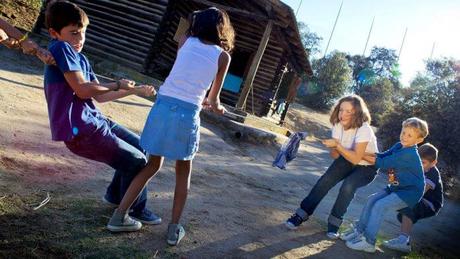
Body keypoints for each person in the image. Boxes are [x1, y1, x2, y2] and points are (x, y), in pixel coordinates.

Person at [107, 7, 235, 246]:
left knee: (152, 164)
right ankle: (173, 229)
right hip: (187, 114)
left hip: (163, 106)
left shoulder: (186, 41)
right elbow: (213, 99)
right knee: (182, 172)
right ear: (222, 28)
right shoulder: (223, 57)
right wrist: (217, 108)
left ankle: (119, 215)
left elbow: (184, 72)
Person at [43, 1, 159, 225]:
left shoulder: (82, 58)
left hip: (96, 122)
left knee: (142, 147)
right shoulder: (60, 48)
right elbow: (83, 90)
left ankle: (116, 196)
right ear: (54, 33)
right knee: (137, 162)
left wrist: (132, 90)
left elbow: (101, 96)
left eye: (83, 33)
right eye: (73, 33)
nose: (80, 39)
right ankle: (131, 211)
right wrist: (117, 84)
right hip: (82, 131)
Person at [285, 95, 379, 239]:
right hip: (346, 159)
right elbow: (336, 156)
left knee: (348, 186)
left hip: (367, 167)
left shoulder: (364, 129)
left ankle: (334, 224)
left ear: (357, 113)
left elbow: (356, 157)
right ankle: (300, 215)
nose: (343, 114)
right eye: (341, 110)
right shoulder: (338, 125)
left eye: (349, 111)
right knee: (326, 180)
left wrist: (338, 145)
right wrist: (333, 146)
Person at [342, 117, 429, 253]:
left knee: (380, 206)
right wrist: (361, 151)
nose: (404, 137)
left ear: (418, 140)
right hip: (396, 187)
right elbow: (381, 156)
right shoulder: (399, 146)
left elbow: (382, 164)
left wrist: (358, 154)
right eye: (403, 132)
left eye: (409, 135)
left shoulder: (410, 154)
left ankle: (369, 241)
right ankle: (359, 231)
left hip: (410, 192)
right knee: (372, 199)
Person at [382, 143, 443, 253]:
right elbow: (395, 182)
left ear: (433, 163)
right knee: (402, 209)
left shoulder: (433, 173)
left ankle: (403, 241)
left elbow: (420, 191)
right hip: (417, 197)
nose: (419, 165)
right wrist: (392, 174)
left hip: (430, 203)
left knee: (410, 204)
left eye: (423, 163)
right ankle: (403, 240)